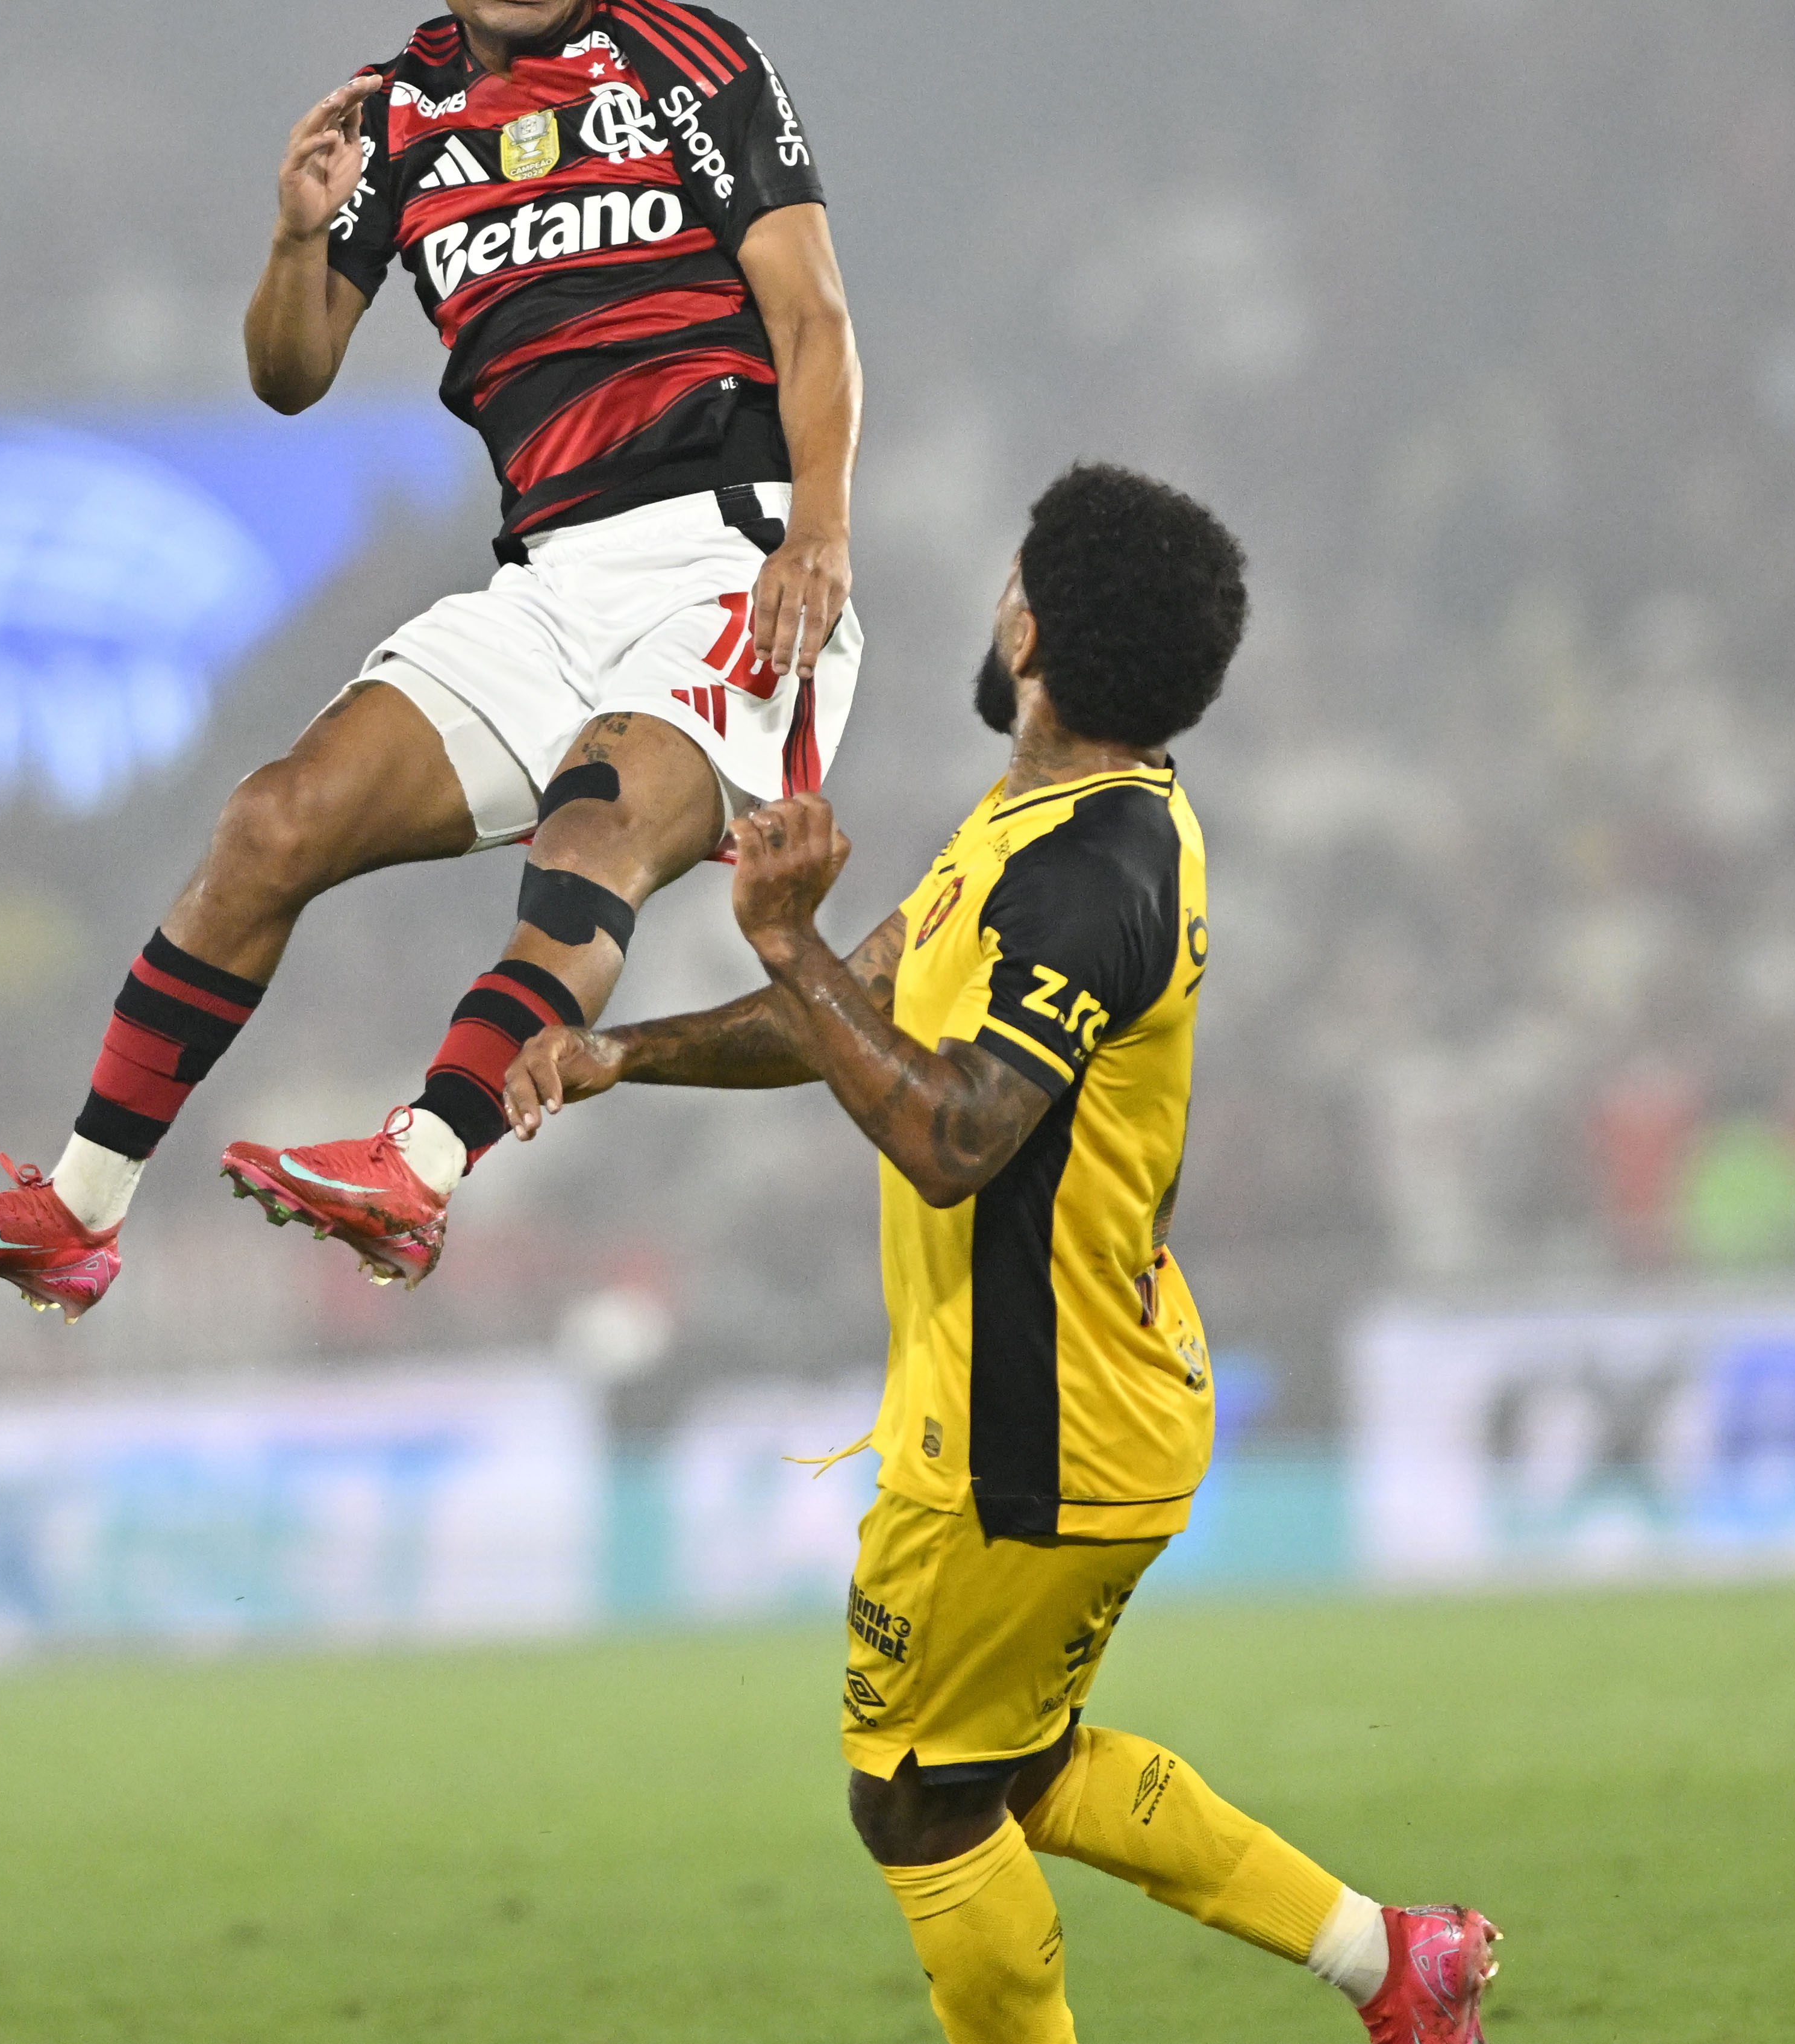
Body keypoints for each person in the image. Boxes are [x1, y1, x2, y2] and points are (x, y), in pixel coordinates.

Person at [501, 465, 1497, 2044]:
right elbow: (858, 1015)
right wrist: (626, 1053)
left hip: (1028, 1438)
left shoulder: (1090, 875)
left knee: (916, 1805)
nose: (995, 598)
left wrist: (785, 939)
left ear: (1031, 625)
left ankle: (1382, 1967)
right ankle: (1396, 1963)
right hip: (1087, 1388)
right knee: (1012, 1759)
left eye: (1010, 577)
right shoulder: (1049, 821)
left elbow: (956, 1137)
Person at [0, 0, 864, 1310]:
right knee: (273, 820)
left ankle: (422, 1163)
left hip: (726, 553)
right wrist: (292, 235)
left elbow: (813, 316)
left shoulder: (694, 59)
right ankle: (73, 1214)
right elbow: (290, 374)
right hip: (548, 575)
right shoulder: (392, 117)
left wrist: (824, 524)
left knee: (593, 826)